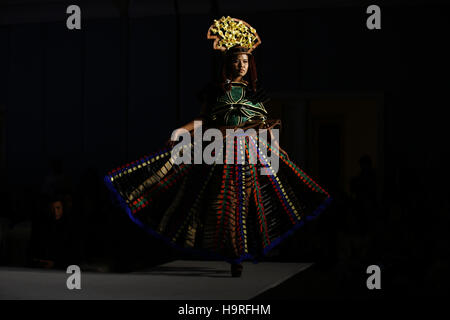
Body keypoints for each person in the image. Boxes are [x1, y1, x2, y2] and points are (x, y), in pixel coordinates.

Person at [105, 16, 333, 277]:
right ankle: (231, 252)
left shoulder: (254, 93)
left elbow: (262, 125)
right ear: (227, 63)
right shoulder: (216, 92)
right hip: (218, 151)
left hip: (249, 154)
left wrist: (276, 147)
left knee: (247, 204)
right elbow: (204, 120)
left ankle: (239, 253)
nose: (242, 65)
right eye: (237, 60)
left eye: (246, 61)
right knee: (217, 203)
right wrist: (181, 131)